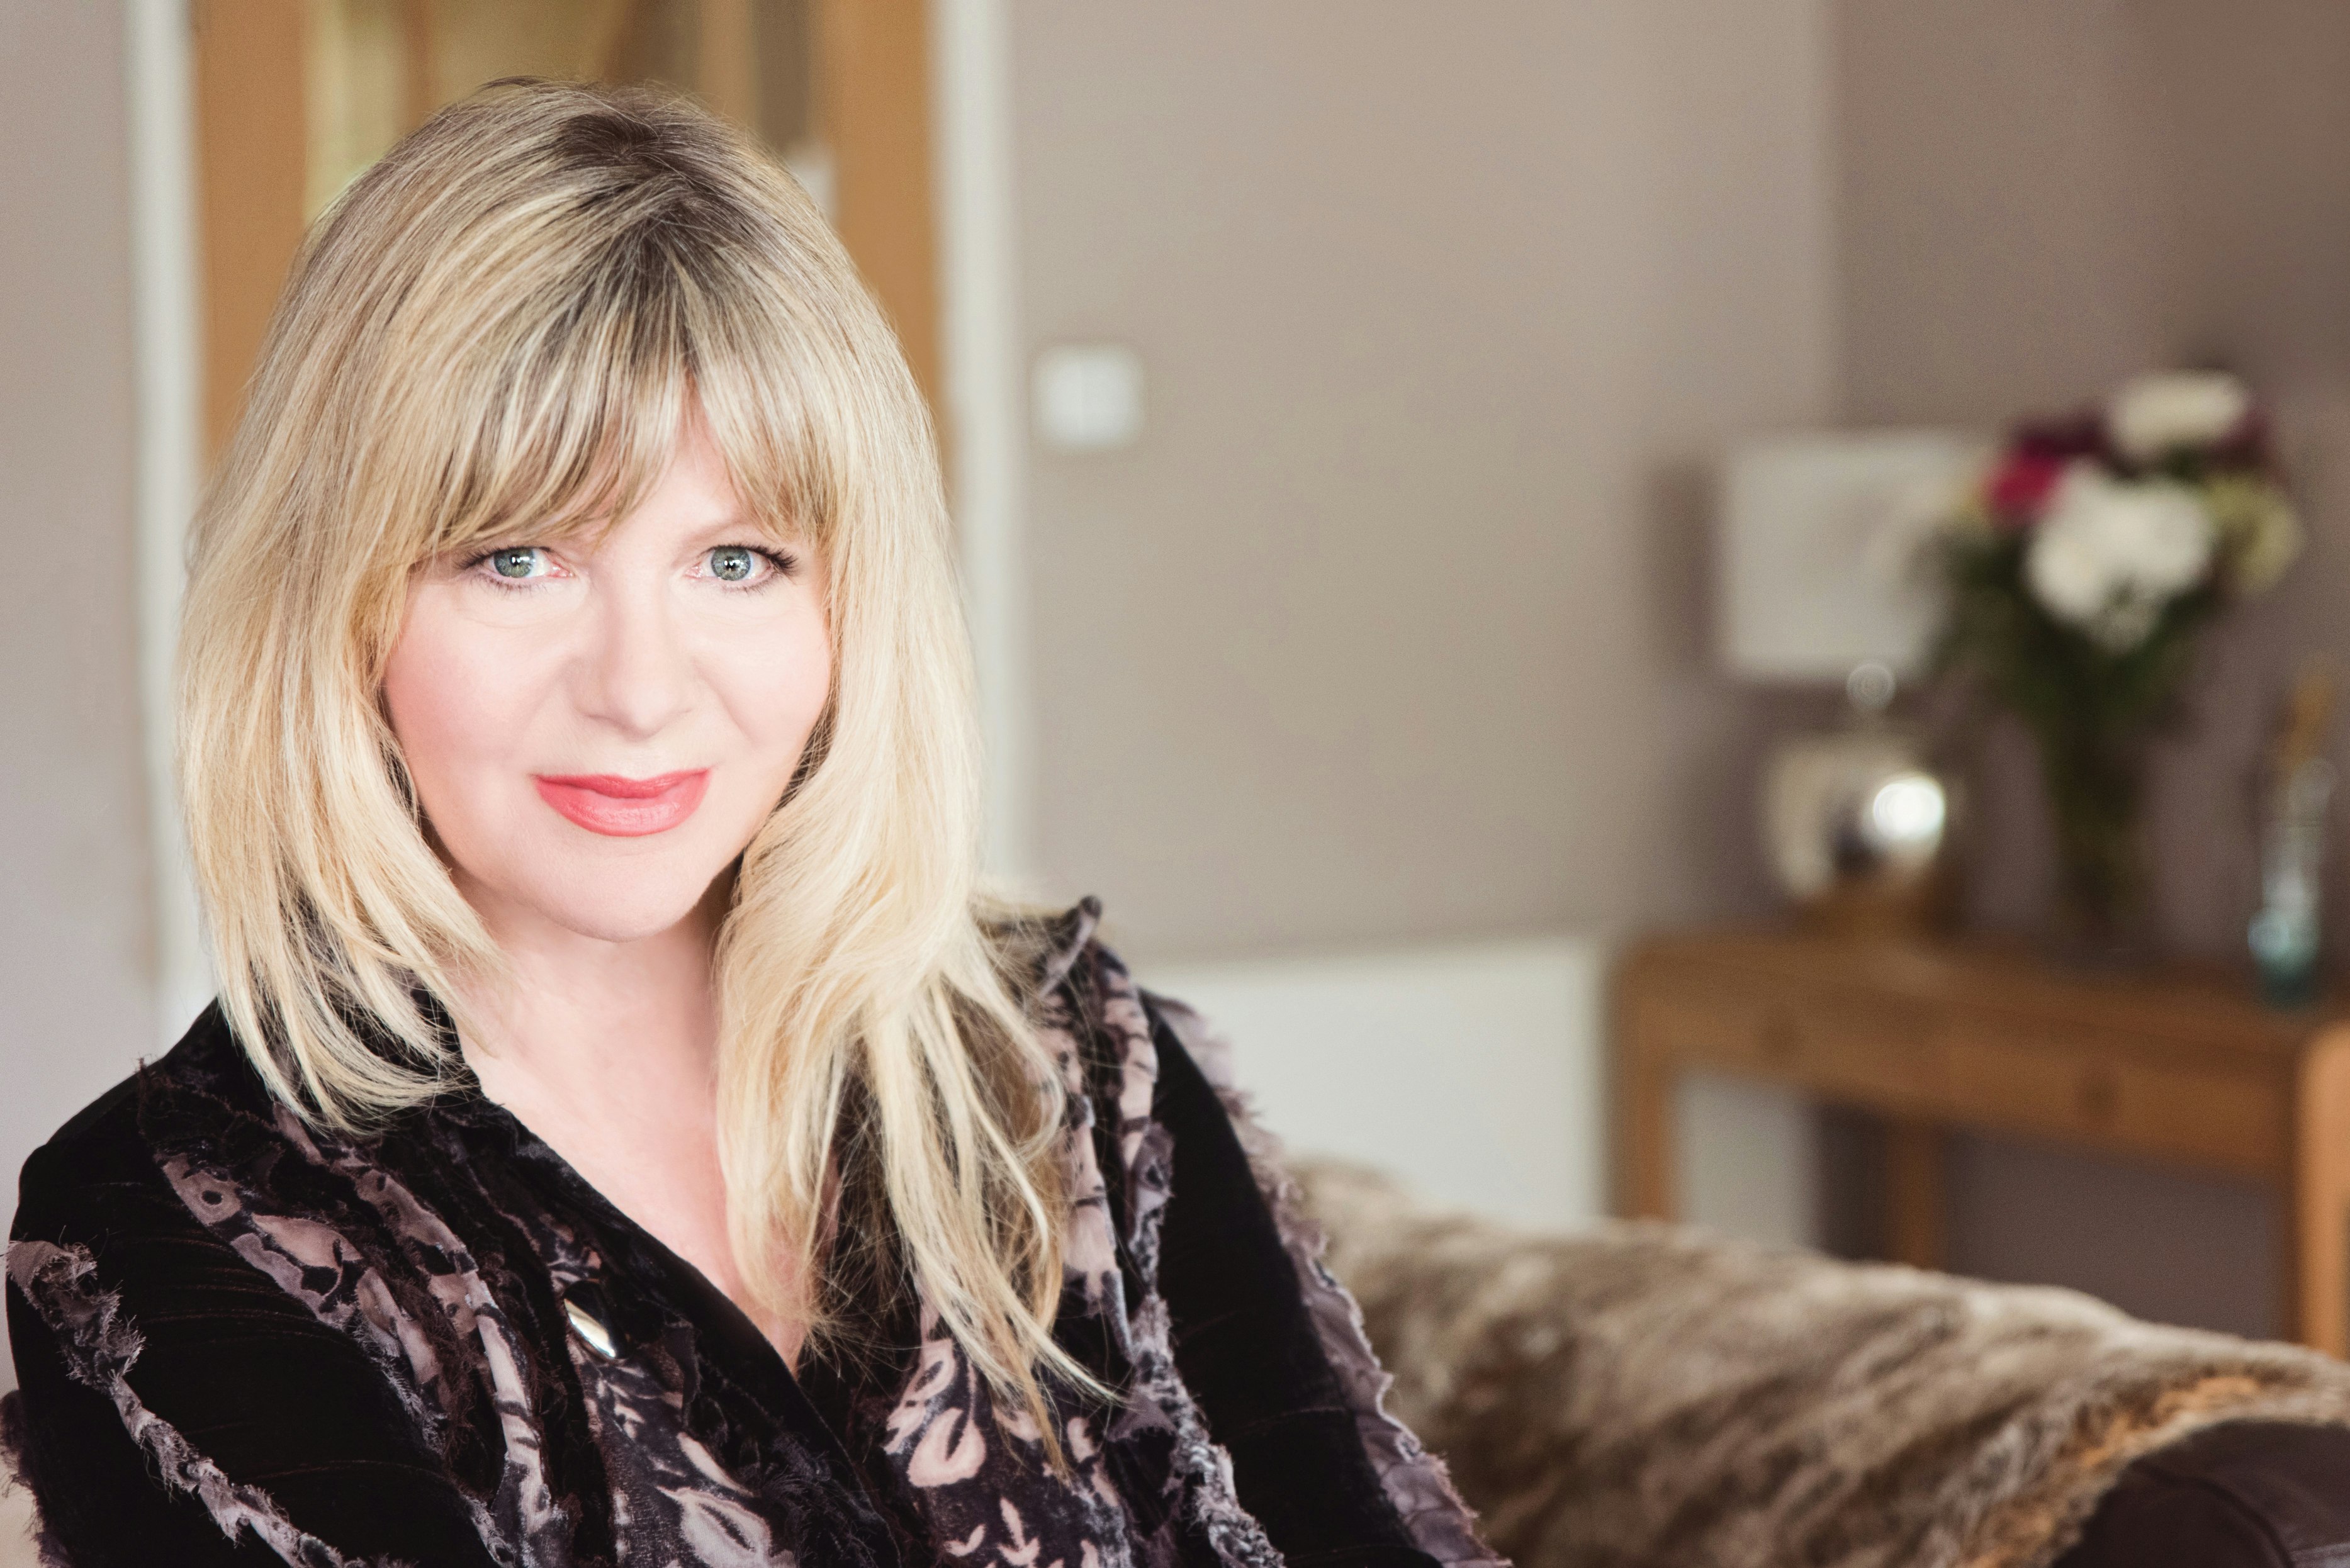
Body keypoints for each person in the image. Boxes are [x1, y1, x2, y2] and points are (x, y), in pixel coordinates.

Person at [1, 81, 1495, 1568]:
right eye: (516, 559)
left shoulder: (1063, 1060)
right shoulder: (181, 1232)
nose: (642, 693)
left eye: (738, 560)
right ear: (335, 606)